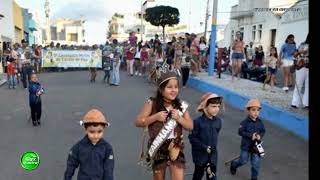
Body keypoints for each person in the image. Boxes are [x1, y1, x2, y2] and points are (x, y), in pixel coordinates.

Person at [135, 68, 193, 180]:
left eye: (176, 87)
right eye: (169, 87)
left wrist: (179, 118)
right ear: (161, 89)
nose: (173, 90)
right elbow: (138, 122)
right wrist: (155, 117)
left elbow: (190, 126)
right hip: (158, 146)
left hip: (176, 146)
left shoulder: (181, 105)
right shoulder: (152, 103)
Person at [64, 109, 114, 180]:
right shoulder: (78, 147)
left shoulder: (107, 148)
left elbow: (109, 169)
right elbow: (71, 165)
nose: (96, 135)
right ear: (85, 129)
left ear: (104, 129)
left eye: (99, 131)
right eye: (92, 132)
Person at [189, 93, 223, 180]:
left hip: (213, 156)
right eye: (213, 106)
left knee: (212, 176)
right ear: (205, 107)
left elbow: (216, 133)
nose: (217, 109)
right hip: (200, 156)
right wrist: (204, 147)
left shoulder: (218, 121)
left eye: (218, 106)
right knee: (198, 175)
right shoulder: (197, 122)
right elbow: (192, 138)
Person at [230, 99, 266, 180]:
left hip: (256, 147)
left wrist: (260, 135)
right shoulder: (244, 122)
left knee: (256, 163)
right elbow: (240, 132)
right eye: (253, 110)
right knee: (243, 161)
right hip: (246, 146)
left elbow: (263, 130)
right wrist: (250, 135)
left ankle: (254, 177)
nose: (256, 112)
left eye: (258, 110)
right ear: (248, 111)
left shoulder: (260, 122)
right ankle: (234, 164)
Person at [291, 34, 309, 109]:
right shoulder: (303, 44)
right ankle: (294, 103)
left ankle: (306, 104)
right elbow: (294, 55)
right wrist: (300, 52)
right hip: (301, 66)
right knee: (298, 84)